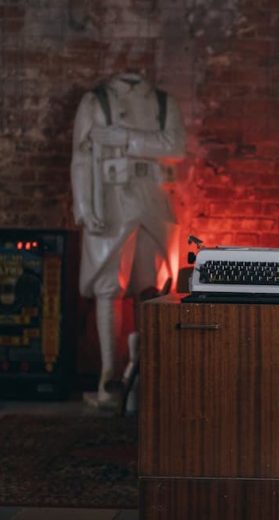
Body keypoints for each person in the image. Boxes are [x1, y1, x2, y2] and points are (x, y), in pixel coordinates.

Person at [70, 72, 185, 407]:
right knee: (109, 286)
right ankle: (109, 378)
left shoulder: (164, 103)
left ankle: (144, 376)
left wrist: (123, 137)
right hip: (111, 199)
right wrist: (83, 204)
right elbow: (81, 157)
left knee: (150, 287)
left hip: (153, 201)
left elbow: (175, 146)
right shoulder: (96, 101)